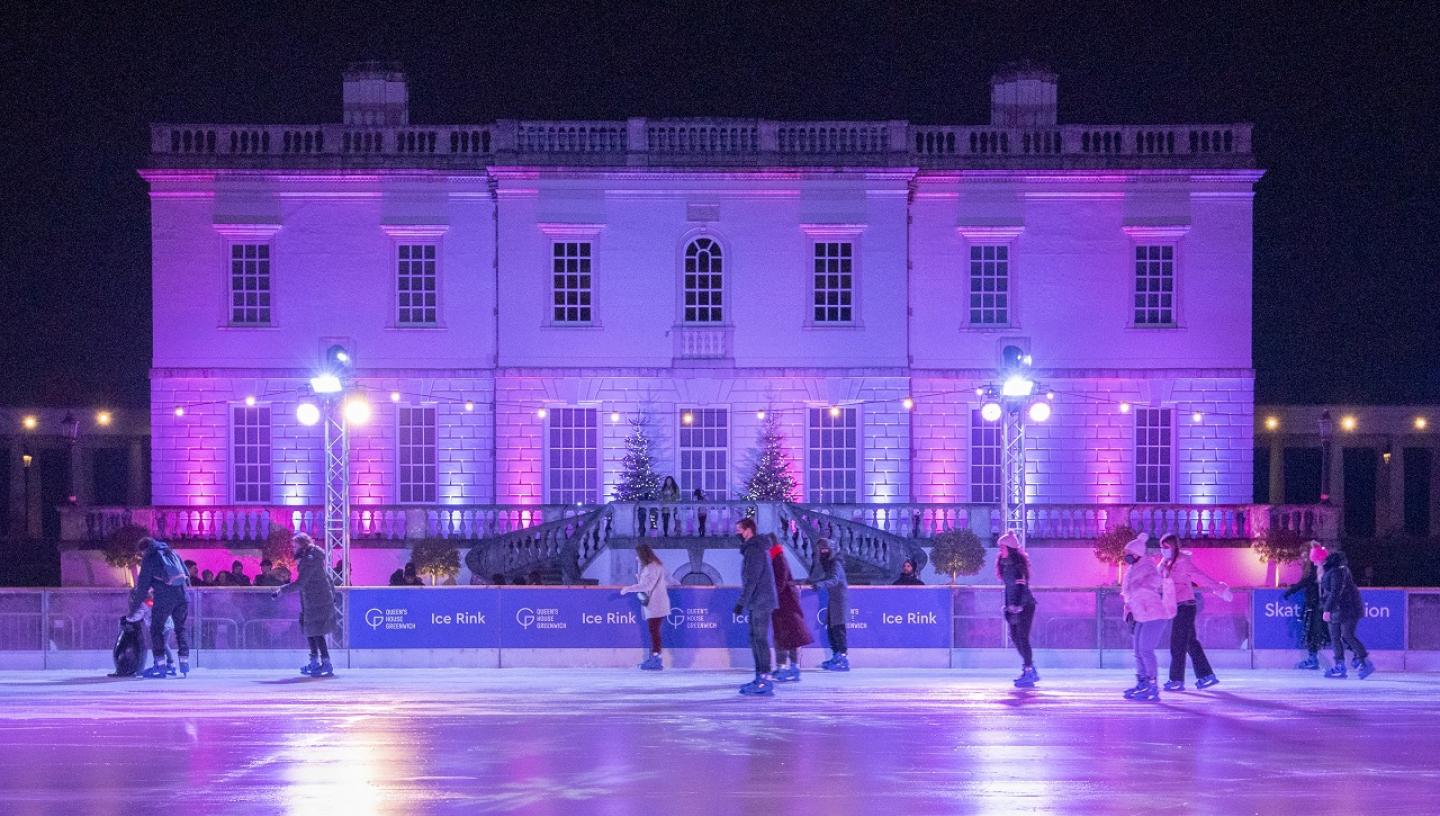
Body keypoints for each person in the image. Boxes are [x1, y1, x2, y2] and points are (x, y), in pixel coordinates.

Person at [1159, 533, 1232, 691]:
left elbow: (1201, 577)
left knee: (1177, 643)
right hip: (1176, 606)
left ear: (1173, 546)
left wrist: (1220, 589)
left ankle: (1176, 679)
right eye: (1161, 547)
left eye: (1166, 547)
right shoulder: (1166, 563)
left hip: (1186, 606)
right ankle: (1206, 676)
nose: (1163, 550)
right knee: (1190, 642)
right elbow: (1159, 582)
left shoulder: (1183, 562)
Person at [271, 532, 338, 676]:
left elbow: (301, 583)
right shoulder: (311, 558)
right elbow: (327, 577)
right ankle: (318, 662)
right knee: (312, 630)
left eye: (295, 546)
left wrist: (281, 590)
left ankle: (323, 663)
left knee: (315, 631)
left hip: (317, 601)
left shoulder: (310, 560)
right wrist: (332, 593)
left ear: (302, 545)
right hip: (314, 600)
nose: (293, 548)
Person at [125, 537, 191, 678]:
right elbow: (187, 574)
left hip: (164, 598)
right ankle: (184, 663)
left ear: (144, 550)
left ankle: (160, 665)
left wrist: (132, 609)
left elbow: (142, 588)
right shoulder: (171, 552)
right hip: (182, 596)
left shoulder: (150, 559)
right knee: (181, 628)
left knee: (156, 629)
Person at [1120, 533, 1170, 701]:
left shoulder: (1147, 566)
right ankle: (1142, 682)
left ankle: (1152, 685)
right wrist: (1129, 611)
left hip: (1154, 615)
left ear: (1138, 553)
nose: (1126, 556)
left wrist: (1143, 586)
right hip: (1140, 615)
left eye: (1129, 552)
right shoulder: (1133, 569)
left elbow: (1156, 580)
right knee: (1138, 651)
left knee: (1146, 650)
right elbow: (1129, 594)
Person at [733, 517, 778, 696]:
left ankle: (765, 679)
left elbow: (752, 579)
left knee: (759, 639)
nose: (736, 533)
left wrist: (741, 602)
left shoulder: (755, 550)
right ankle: (760, 676)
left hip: (761, 601)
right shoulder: (753, 549)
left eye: (739, 529)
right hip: (758, 601)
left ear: (748, 530)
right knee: (755, 639)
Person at [1321, 550, 1374, 679]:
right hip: (1340, 609)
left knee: (1346, 635)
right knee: (1336, 636)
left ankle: (1364, 662)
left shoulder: (1337, 572)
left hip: (1344, 609)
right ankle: (1341, 665)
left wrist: (1327, 609)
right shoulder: (1339, 571)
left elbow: (1335, 592)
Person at [768, 534, 813, 682]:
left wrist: (771, 595)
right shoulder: (777, 557)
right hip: (784, 602)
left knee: (785, 635)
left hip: (783, 603)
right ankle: (791, 667)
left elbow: (780, 580)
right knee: (789, 634)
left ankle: (786, 667)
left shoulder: (777, 557)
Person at [996, 532, 1038, 688]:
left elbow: (1021, 586)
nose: (1000, 549)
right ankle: (1030, 667)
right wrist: (1008, 605)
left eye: (1002, 546)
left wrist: (1018, 605)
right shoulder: (1004, 564)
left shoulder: (1017, 565)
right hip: (1013, 605)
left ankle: (1028, 671)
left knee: (1023, 637)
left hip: (1025, 605)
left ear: (1009, 547)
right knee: (1015, 636)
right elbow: (1009, 588)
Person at [620, 544, 671, 670]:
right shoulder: (653, 566)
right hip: (656, 603)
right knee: (653, 631)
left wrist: (628, 589)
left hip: (656, 604)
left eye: (638, 554)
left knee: (654, 631)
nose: (636, 557)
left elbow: (647, 586)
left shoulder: (652, 567)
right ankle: (654, 657)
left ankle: (656, 659)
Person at [1283, 543, 1331, 670]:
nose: (1303, 557)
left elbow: (1305, 582)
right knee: (1311, 633)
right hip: (1312, 604)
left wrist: (1289, 592)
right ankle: (1312, 658)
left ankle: (1314, 659)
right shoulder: (1311, 568)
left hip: (1316, 606)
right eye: (1303, 555)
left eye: (1305, 554)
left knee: (1314, 632)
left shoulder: (1316, 569)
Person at [807, 538, 850, 671]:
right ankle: (836, 655)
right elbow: (824, 577)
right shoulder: (830, 564)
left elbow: (835, 580)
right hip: (834, 600)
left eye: (826, 549)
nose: (823, 552)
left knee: (838, 629)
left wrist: (820, 584)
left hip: (840, 601)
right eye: (821, 549)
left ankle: (843, 658)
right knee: (831, 629)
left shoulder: (835, 563)